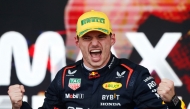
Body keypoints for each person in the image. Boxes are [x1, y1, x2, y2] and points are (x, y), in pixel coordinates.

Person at [8, 10, 186, 109]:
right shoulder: (64, 77)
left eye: (100, 36)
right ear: (77, 42)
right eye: (87, 38)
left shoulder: (135, 76)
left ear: (112, 39)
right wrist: (18, 107)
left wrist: (174, 102)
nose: (95, 43)